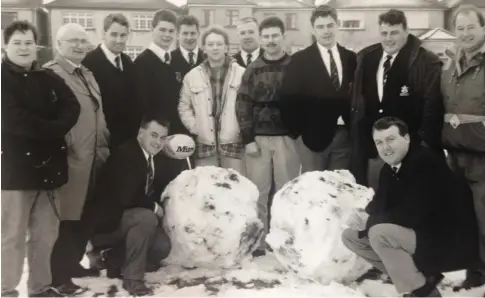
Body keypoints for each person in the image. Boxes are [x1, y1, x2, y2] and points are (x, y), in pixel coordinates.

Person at [342, 117, 479, 297]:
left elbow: (412, 214)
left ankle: (422, 292)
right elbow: (381, 202)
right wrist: (364, 215)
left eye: (391, 139)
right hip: (420, 239)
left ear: (406, 138)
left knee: (379, 234)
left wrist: (371, 221)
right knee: (351, 237)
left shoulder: (424, 163)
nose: (385, 147)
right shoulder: (389, 168)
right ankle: (422, 278)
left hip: (445, 241)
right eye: (379, 142)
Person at [1, 21, 80, 297]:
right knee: (11, 237)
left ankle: (39, 287)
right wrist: (52, 129)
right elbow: (12, 120)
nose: (23, 48)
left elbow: (72, 106)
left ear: (37, 46)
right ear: (5, 45)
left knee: (45, 235)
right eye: (17, 43)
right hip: (16, 173)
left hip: (49, 172)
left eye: (28, 42)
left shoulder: (47, 77)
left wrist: (55, 128)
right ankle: (6, 289)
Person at [44, 23, 110, 295]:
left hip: (95, 159)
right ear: (59, 44)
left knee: (85, 217)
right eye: (73, 41)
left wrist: (105, 145)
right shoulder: (51, 75)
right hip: (71, 160)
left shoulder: (87, 74)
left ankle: (73, 264)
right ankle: (57, 275)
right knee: (65, 220)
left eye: (84, 41)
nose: (80, 45)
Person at [349, 9, 444, 190]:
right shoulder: (366, 59)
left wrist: (423, 145)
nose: (388, 39)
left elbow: (432, 108)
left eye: (394, 33)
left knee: (408, 205)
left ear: (406, 32)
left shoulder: (426, 61)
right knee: (378, 203)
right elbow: (357, 103)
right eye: (384, 33)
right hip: (375, 152)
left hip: (410, 152)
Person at [87, 116, 176, 296]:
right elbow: (125, 196)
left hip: (127, 219)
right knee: (147, 217)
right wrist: (153, 207)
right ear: (140, 133)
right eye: (153, 135)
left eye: (163, 137)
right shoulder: (126, 154)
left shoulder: (153, 158)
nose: (158, 142)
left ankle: (112, 259)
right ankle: (132, 279)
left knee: (162, 245)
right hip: (107, 223)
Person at [236, 17, 300, 257]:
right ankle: (259, 243)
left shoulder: (295, 65)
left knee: (285, 193)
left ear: (283, 36)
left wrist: (298, 133)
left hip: (287, 139)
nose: (271, 40)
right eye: (267, 36)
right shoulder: (253, 69)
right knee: (259, 193)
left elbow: (303, 100)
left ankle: (284, 241)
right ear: (261, 39)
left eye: (275, 35)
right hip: (259, 140)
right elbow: (242, 104)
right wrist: (248, 139)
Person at [280, 5, 357, 172]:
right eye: (320, 27)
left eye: (330, 25)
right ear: (313, 30)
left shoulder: (351, 58)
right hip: (312, 140)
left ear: (337, 25)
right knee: (315, 191)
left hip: (344, 137)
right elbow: (287, 99)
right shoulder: (300, 60)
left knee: (340, 188)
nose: (326, 31)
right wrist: (298, 134)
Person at [441, 4, 485, 291]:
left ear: (483, 28)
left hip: (483, 156)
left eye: (471, 27)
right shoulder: (451, 63)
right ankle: (475, 273)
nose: (466, 33)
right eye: (460, 28)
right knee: (465, 218)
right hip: (455, 154)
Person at [179, 25, 246, 174]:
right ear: (204, 48)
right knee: (207, 189)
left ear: (226, 47)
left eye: (219, 44)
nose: (215, 48)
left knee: (234, 188)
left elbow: (249, 106)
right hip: (204, 144)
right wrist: (194, 126)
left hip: (234, 142)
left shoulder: (242, 74)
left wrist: (241, 129)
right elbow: (184, 106)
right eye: (210, 44)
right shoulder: (192, 76)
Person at [83, 13, 141, 151]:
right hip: (100, 143)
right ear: (104, 34)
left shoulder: (127, 62)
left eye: (123, 35)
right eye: (114, 34)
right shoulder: (89, 63)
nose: (119, 40)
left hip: (127, 140)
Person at [170, 15, 205, 85]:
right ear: (177, 35)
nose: (189, 38)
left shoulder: (207, 58)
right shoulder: (169, 60)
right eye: (185, 33)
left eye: (193, 33)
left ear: (198, 34)